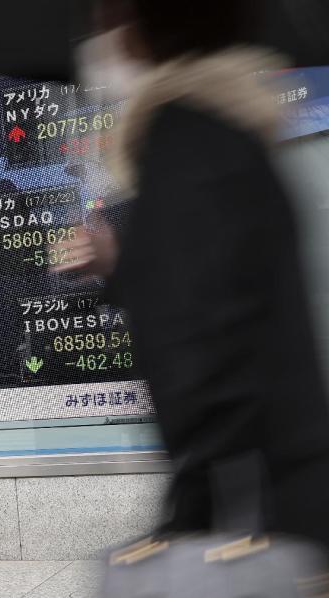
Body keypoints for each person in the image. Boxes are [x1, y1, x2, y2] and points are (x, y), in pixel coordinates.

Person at [56, 0, 329, 545]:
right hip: (281, 484)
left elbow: (196, 329)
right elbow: (215, 283)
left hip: (247, 499)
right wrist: (120, 262)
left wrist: (192, 507)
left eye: (110, 17)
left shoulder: (182, 135)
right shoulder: (226, 130)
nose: (100, 34)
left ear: (144, 29)